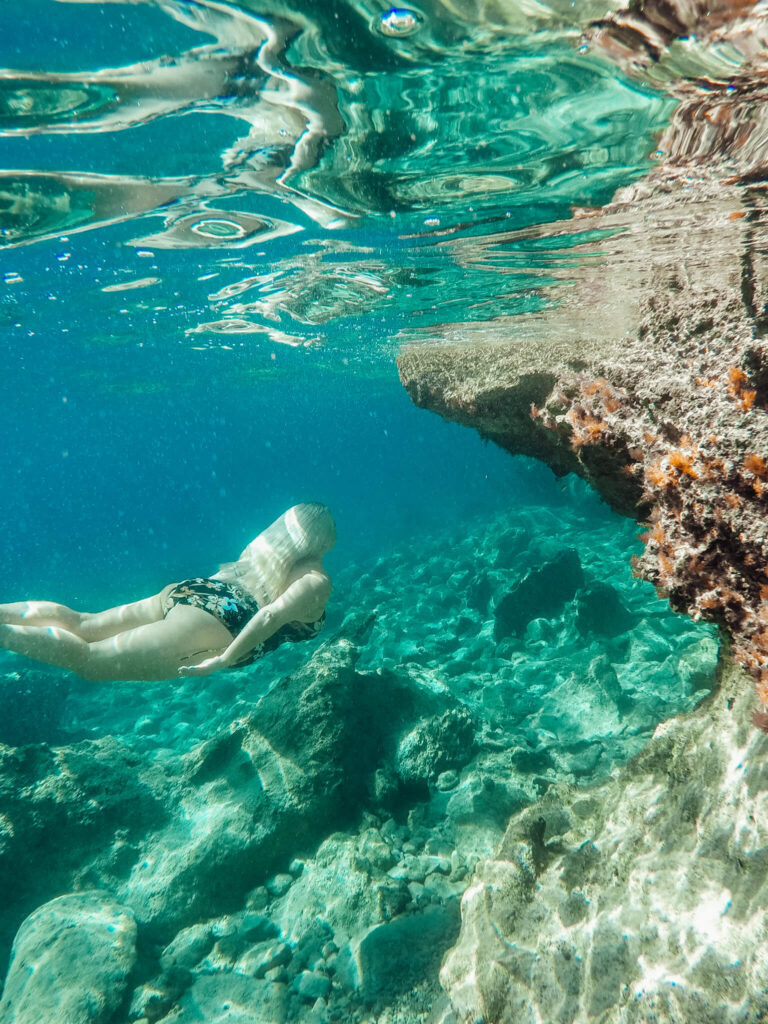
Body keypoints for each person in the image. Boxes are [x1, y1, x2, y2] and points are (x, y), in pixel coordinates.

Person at [0, 502, 335, 683]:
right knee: (91, 662)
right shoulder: (316, 581)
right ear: (324, 541)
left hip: (194, 590)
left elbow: (225, 580)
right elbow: (270, 615)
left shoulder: (266, 552)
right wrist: (225, 658)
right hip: (218, 623)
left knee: (83, 624)